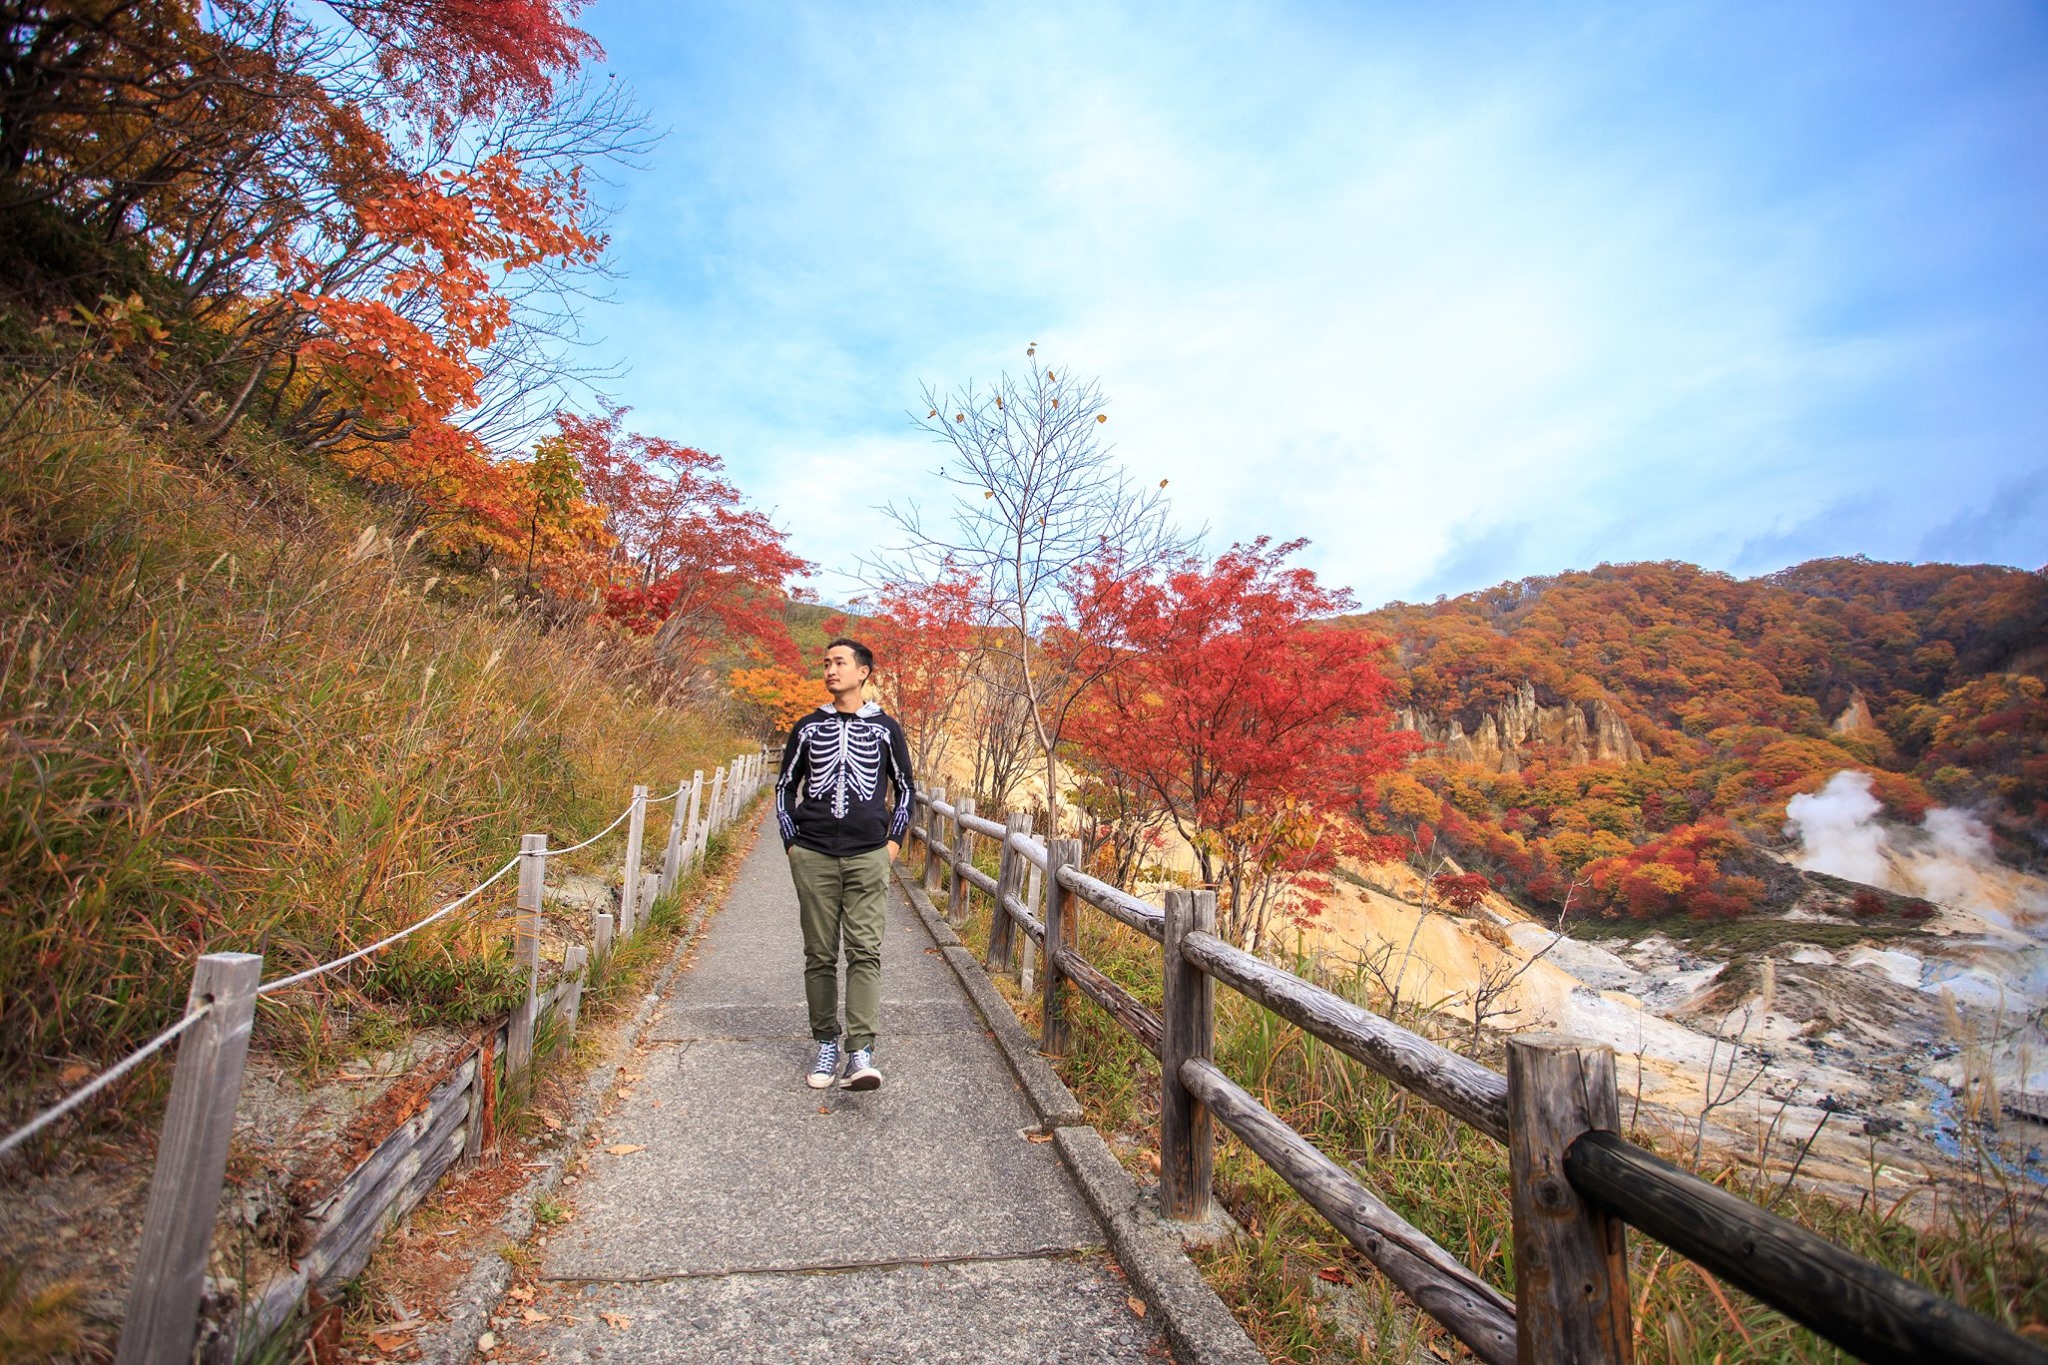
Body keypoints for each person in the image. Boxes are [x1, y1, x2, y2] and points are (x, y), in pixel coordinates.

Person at [773, 637, 916, 1090]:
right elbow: (783, 787)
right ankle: (826, 1043)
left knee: (864, 953)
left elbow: (907, 789)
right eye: (826, 663)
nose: (830, 670)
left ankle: (860, 1051)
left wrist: (891, 844)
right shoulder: (808, 727)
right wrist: (792, 843)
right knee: (819, 954)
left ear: (863, 672)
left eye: (840, 663)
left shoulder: (885, 729)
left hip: (868, 855)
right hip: (813, 854)